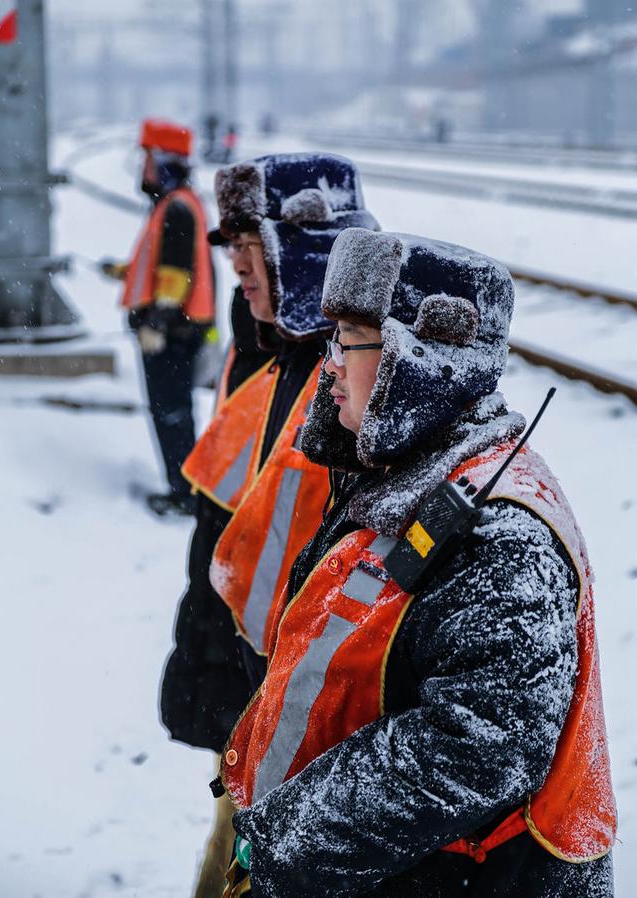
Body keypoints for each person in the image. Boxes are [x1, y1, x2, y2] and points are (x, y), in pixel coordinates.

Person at [220, 228, 617, 898]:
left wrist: (291, 835)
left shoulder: (503, 537)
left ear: (422, 355)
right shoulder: (402, 471)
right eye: (331, 341)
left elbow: (480, 744)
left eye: (349, 340)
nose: (331, 366)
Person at [159, 156, 379, 897]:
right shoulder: (267, 360)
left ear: (301, 253)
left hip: (300, 714)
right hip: (251, 691)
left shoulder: (352, 388)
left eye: (250, 250)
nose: (237, 270)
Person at [100, 118, 215, 516]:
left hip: (172, 334)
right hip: (176, 330)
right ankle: (185, 488)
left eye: (147, 157)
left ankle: (185, 494)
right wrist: (121, 271)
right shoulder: (177, 203)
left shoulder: (177, 207)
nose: (142, 167)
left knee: (172, 413)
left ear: (165, 160)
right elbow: (164, 264)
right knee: (173, 410)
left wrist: (157, 322)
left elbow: (176, 275)